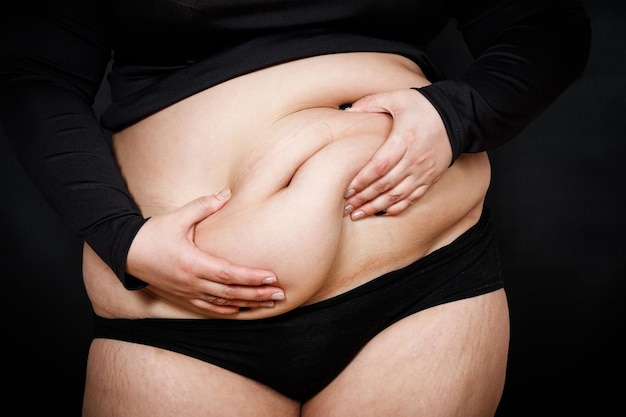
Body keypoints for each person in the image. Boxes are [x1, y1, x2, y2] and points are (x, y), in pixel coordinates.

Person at [0, 1, 590, 416]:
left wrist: (457, 113)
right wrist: (122, 236)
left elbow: (545, 21)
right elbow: (37, 73)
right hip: (178, 314)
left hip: (422, 286)